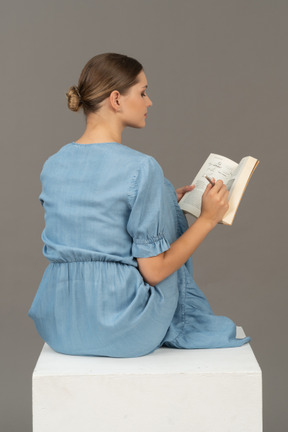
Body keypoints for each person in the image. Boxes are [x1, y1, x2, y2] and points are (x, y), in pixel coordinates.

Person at [28, 53, 250, 357]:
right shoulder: (142, 168)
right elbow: (155, 272)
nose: (149, 102)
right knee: (165, 243)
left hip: (58, 324)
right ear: (116, 99)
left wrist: (163, 203)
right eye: (143, 92)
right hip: (122, 326)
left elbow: (90, 225)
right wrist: (207, 219)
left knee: (165, 208)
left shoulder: (53, 164)